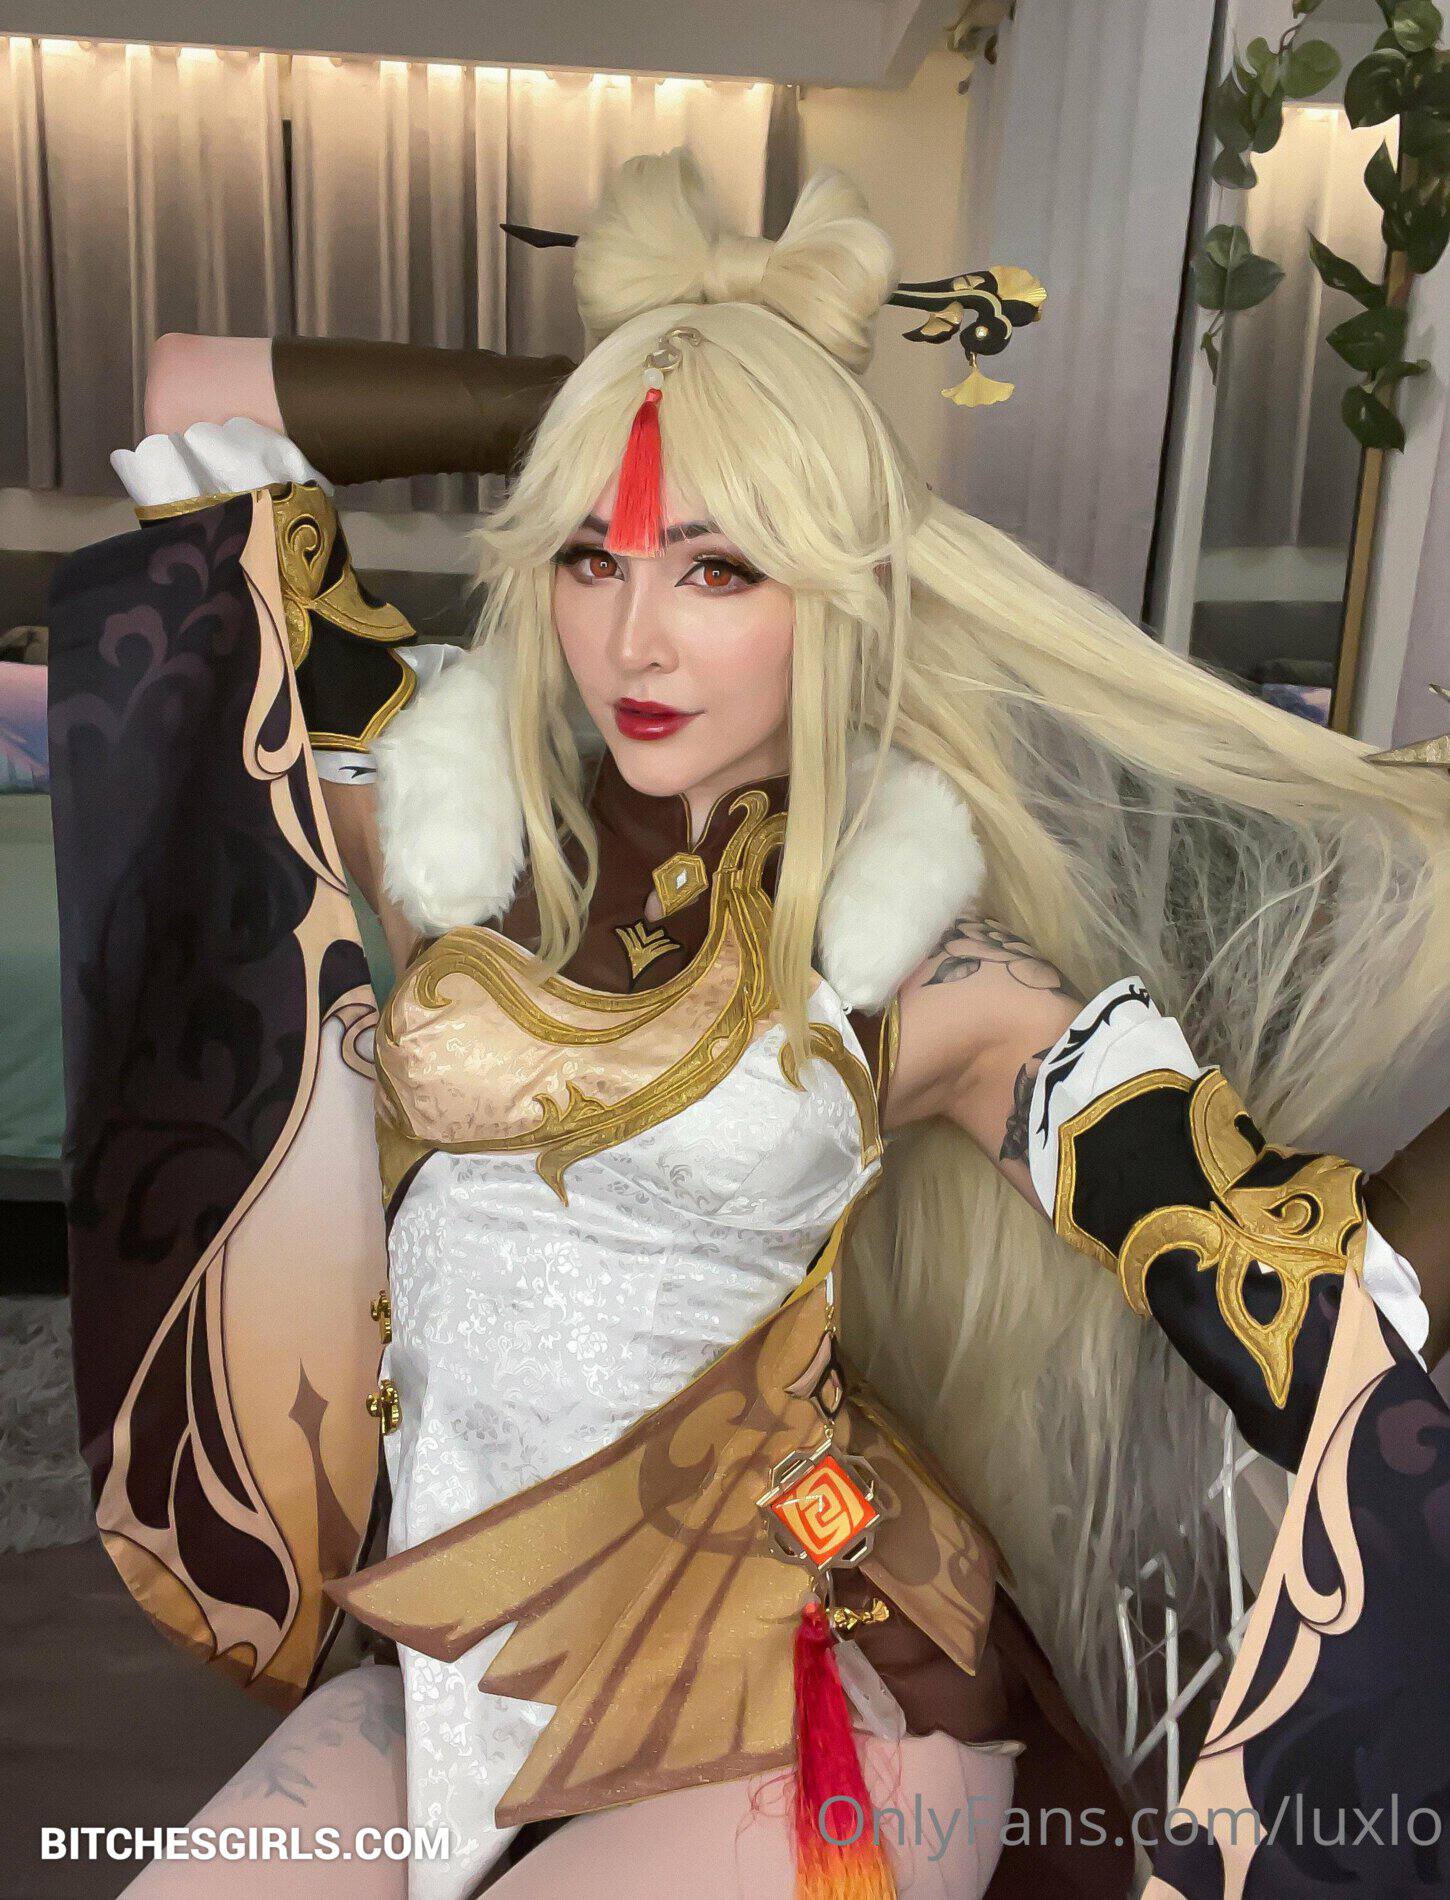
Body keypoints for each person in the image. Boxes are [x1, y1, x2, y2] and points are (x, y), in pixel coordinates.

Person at [47, 153, 1450, 1900]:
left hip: (806, 1680)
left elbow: (1308, 1291)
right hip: (456, 1657)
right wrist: (661, 375)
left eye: (719, 570)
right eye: (590, 555)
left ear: (836, 587)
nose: (634, 639)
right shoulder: (452, 830)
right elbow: (195, 399)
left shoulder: (926, 964)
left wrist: (752, 415)